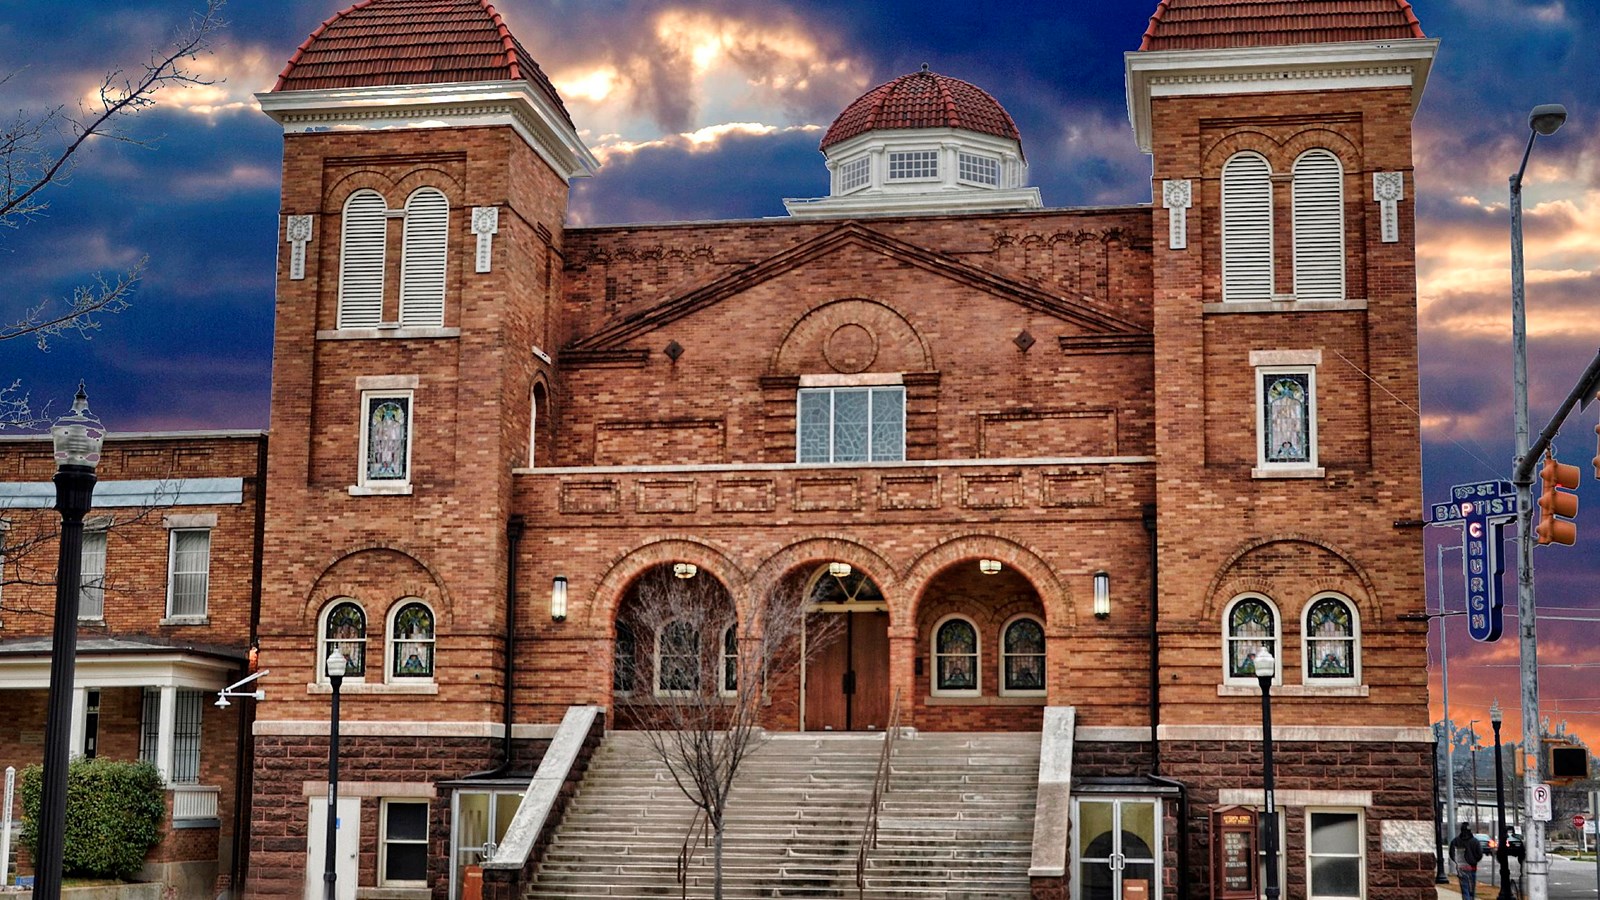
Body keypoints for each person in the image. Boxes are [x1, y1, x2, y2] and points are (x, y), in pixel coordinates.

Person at [1449, 823, 1484, 900]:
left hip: (1462, 868)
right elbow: (1480, 854)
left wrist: (1457, 861)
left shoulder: (1456, 841)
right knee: (1471, 890)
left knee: (1465, 889)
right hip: (1472, 867)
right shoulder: (1475, 842)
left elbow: (1452, 854)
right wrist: (1474, 860)